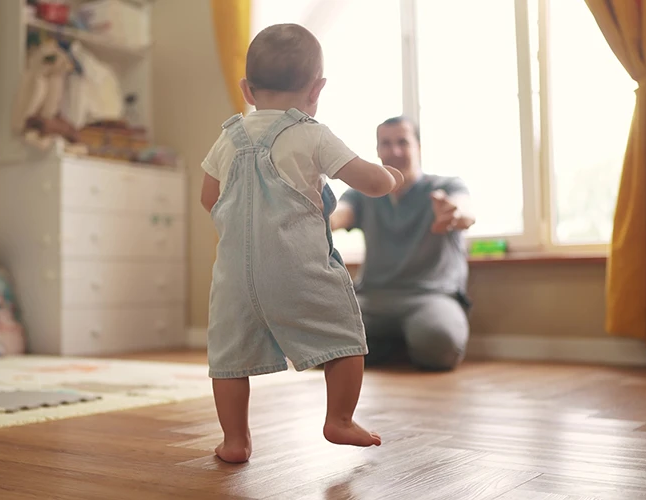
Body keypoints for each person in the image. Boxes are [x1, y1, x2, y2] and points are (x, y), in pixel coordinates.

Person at [200, 23, 405, 463]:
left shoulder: (227, 137)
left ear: (247, 89)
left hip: (234, 277)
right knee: (346, 338)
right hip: (298, 268)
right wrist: (390, 176)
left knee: (230, 359)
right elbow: (369, 183)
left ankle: (235, 441)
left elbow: (208, 198)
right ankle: (340, 420)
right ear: (317, 88)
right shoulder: (312, 133)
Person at [330, 116, 476, 372]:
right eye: (386, 144)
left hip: (430, 297)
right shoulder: (362, 195)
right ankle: (393, 345)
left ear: (418, 147)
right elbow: (338, 215)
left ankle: (386, 346)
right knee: (325, 341)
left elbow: (464, 212)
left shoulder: (446, 186)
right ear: (377, 150)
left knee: (440, 344)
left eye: (402, 142)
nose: (394, 151)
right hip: (372, 299)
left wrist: (452, 214)